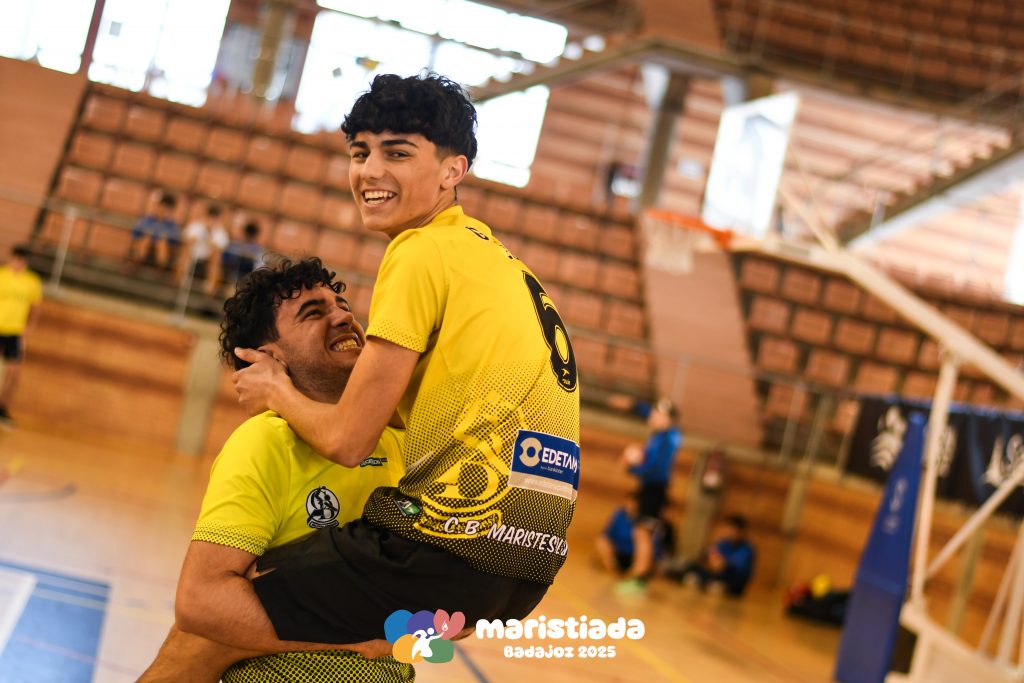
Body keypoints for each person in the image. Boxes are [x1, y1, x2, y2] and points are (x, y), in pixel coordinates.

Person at [221, 73, 580, 649]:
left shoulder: (418, 250)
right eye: (360, 152)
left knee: (213, 605)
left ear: (452, 170)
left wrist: (276, 391)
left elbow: (348, 441)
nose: (370, 171)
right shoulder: (497, 262)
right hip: (528, 566)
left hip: (446, 546)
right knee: (330, 624)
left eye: (397, 153)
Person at [140, 257, 411, 682]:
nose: (344, 317)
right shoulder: (266, 442)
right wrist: (354, 633)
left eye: (341, 305)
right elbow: (200, 603)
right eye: (314, 313)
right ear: (269, 357)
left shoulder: (402, 439)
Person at [0, 244, 42, 427]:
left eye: (22, 260)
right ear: (11, 258)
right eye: (16, 259)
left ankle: (2, 409)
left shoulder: (32, 281)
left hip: (15, 332)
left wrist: (28, 329)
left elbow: (36, 308)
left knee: (13, 371)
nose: (18, 263)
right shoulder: (1, 275)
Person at [594, 495, 669, 595]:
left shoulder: (647, 523)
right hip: (620, 554)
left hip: (637, 559)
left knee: (643, 542)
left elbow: (656, 548)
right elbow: (607, 534)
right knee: (601, 540)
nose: (630, 505)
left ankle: (636, 578)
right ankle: (618, 575)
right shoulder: (619, 515)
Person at [668, 514, 755, 596]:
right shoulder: (723, 543)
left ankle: (715, 585)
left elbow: (738, 570)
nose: (729, 532)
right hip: (716, 575)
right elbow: (707, 554)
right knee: (693, 565)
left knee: (726, 576)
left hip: (732, 580)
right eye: (728, 529)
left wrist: (724, 564)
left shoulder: (746, 549)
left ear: (741, 532)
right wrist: (710, 559)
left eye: (732, 530)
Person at [178, 203, 229, 293]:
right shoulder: (196, 226)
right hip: (193, 254)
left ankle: (210, 286)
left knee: (216, 257)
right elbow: (186, 238)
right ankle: (181, 279)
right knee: (185, 250)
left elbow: (221, 247)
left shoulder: (220, 231)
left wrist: (210, 241)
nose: (212, 220)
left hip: (208, 257)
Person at [129, 191, 180, 269]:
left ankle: (161, 269)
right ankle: (136, 263)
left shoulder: (173, 226)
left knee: (162, 243)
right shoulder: (146, 220)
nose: (163, 210)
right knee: (146, 239)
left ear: (171, 210)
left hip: (163, 253)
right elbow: (135, 236)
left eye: (167, 208)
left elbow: (174, 244)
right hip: (145, 248)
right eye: (161, 206)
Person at [223, 220, 267, 285]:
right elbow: (226, 259)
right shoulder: (236, 245)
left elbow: (259, 268)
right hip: (233, 277)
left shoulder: (259, 250)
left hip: (248, 280)